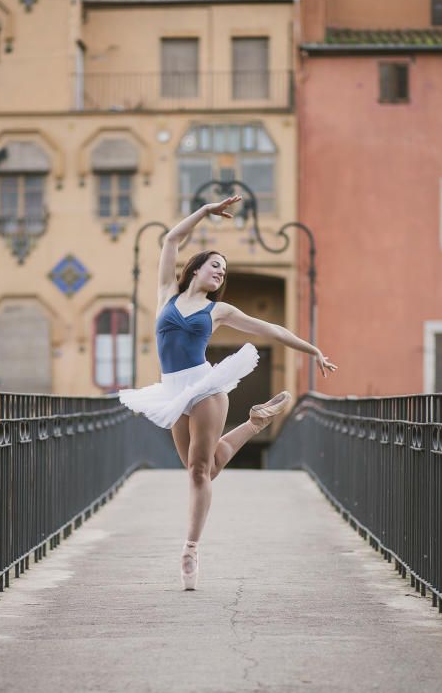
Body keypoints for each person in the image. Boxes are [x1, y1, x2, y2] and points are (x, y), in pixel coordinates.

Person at [119, 195, 338, 590]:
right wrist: (204, 212)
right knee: (202, 467)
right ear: (196, 269)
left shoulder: (217, 311)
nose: (220, 272)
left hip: (205, 388)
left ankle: (190, 550)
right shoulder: (167, 293)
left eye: (225, 270)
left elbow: (270, 330)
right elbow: (170, 240)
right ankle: (254, 423)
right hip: (173, 393)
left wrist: (313, 350)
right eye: (215, 265)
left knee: (200, 470)